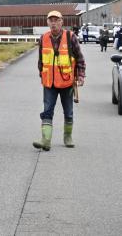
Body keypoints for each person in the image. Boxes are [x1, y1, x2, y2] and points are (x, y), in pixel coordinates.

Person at [33, 11, 86, 151]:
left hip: (67, 83)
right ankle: (45, 140)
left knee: (68, 112)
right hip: (49, 83)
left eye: (56, 20)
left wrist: (80, 77)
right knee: (47, 111)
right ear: (47, 22)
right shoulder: (43, 38)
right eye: (51, 20)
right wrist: (42, 75)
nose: (53, 23)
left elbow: (80, 59)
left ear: (62, 21)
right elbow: (41, 61)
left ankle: (67, 137)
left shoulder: (70, 37)